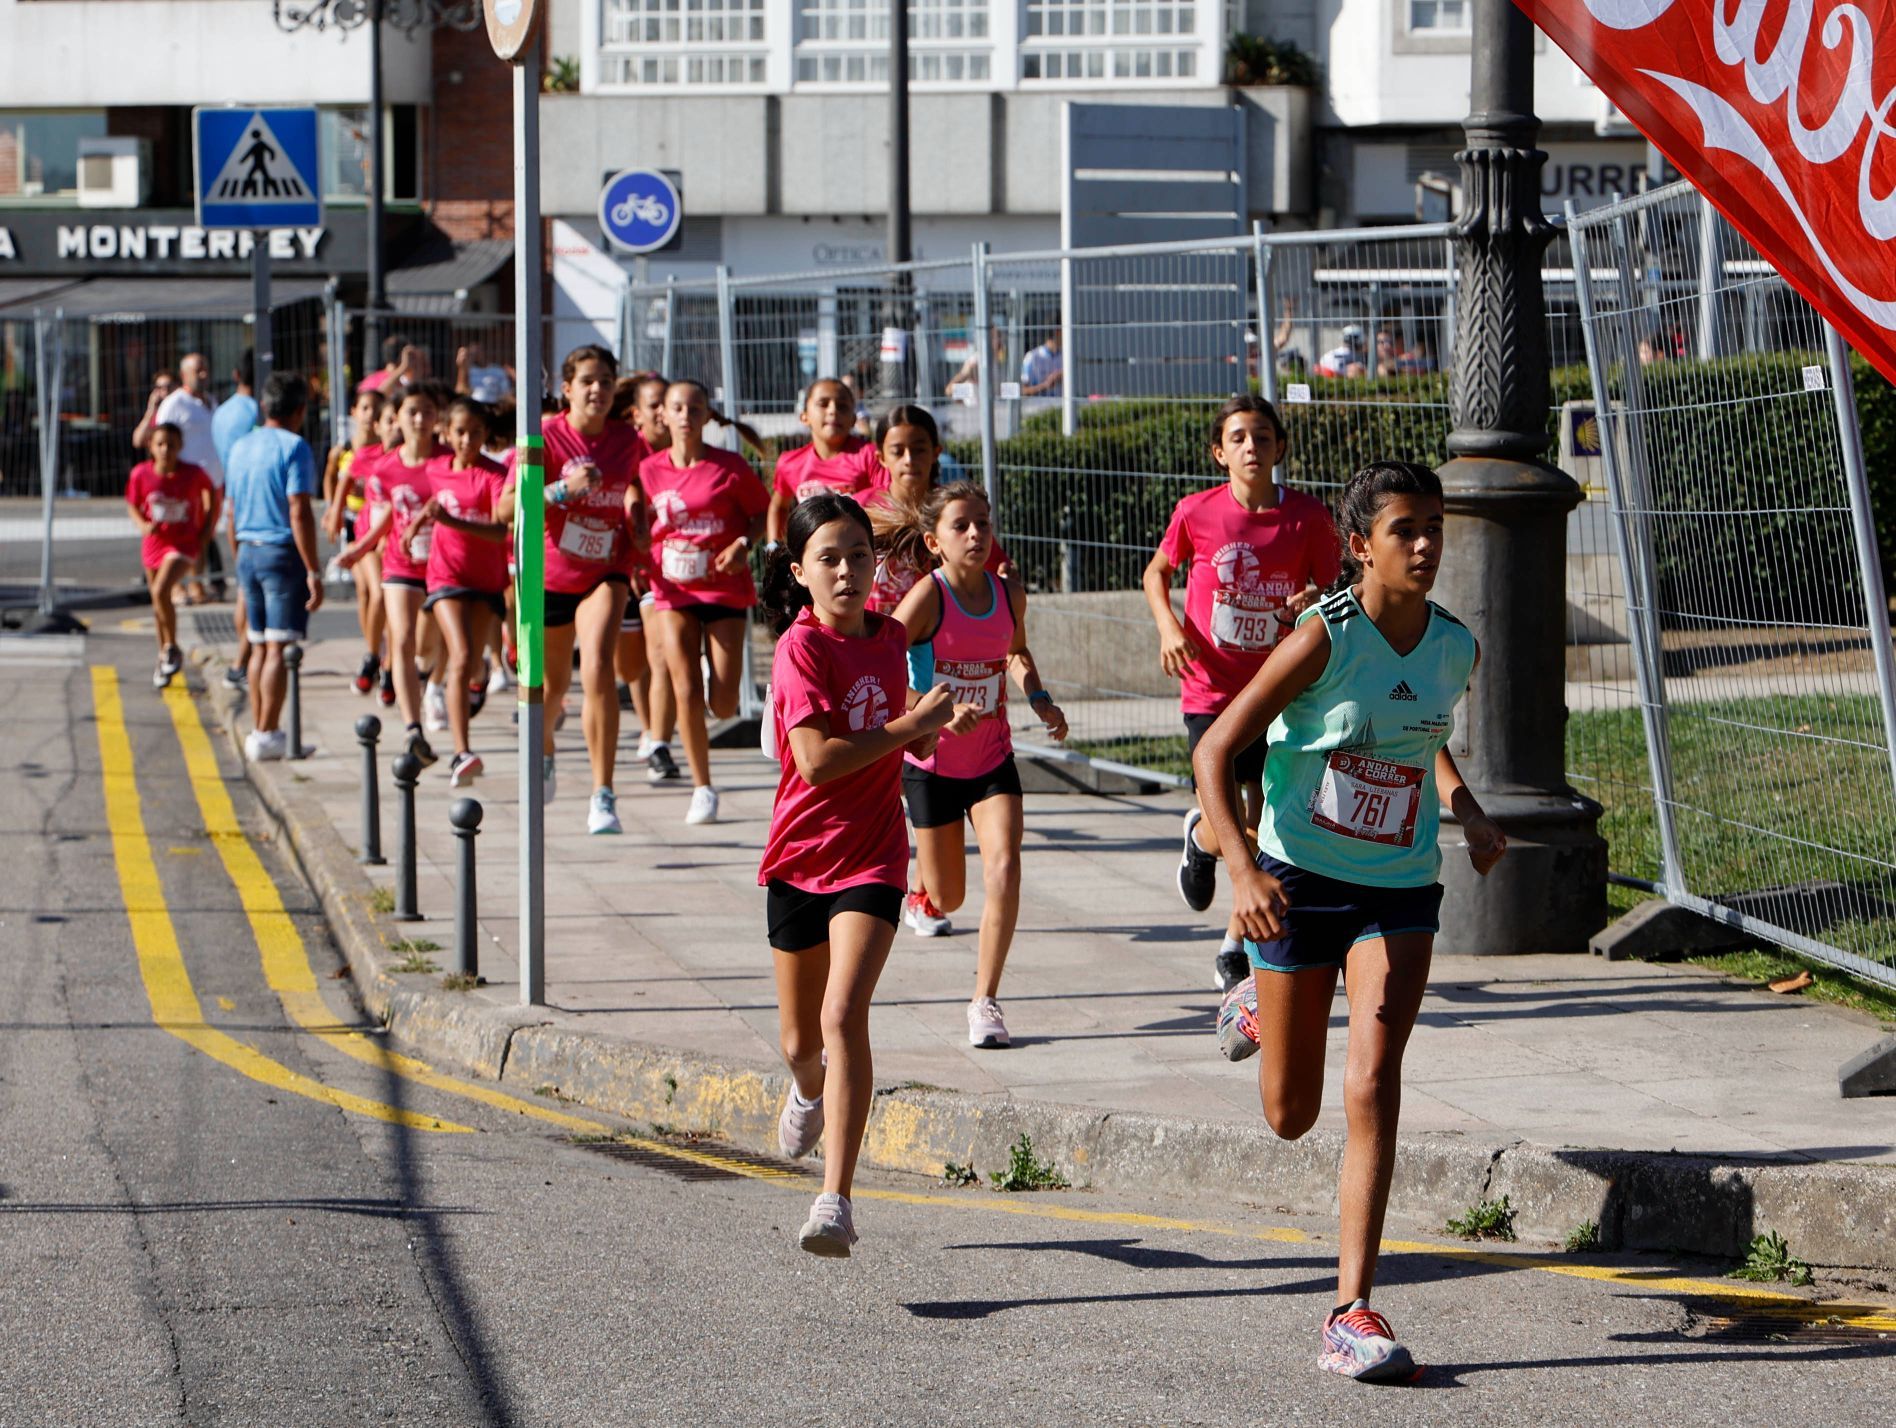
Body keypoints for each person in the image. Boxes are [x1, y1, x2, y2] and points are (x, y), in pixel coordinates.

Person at [1193, 460, 1506, 1383]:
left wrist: (1469, 808)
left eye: (1436, 527)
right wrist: (1242, 870)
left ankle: (1349, 1310)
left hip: (1399, 887)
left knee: (1374, 1079)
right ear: (1360, 546)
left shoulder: (1455, 646)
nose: (1426, 544)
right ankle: (1255, 994)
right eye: (1405, 528)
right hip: (1295, 880)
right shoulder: (1320, 641)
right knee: (1290, 1115)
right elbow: (1216, 751)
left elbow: (1423, 731)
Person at [757, 492, 976, 1256]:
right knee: (797, 1041)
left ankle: (834, 1199)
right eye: (830, 558)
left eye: (858, 555)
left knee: (842, 1014)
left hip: (874, 856)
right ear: (801, 572)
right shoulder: (800, 650)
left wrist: (935, 722)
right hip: (798, 856)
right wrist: (913, 726)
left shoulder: (888, 638)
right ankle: (806, 1090)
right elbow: (816, 762)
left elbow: (897, 725)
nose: (848, 571)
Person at [1142, 395, 1339, 992]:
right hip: (1209, 688)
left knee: (1262, 821)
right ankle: (1203, 842)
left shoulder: (1307, 518)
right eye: (1238, 437)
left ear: (1279, 448)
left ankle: (1234, 943)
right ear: (1219, 452)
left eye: (1262, 436)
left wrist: (1311, 602)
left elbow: (1331, 592)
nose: (1251, 446)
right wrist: (1170, 627)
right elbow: (1156, 572)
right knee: (1238, 825)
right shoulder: (1197, 512)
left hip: (1276, 688)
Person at [892, 482, 1068, 1047]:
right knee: (950, 897)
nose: (975, 535)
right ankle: (924, 892)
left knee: (1006, 869)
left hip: (992, 758)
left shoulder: (1007, 592)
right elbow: (882, 675)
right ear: (934, 541)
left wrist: (1038, 697)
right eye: (961, 526)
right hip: (933, 763)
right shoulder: (927, 597)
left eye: (983, 524)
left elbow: (1013, 651)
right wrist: (933, 713)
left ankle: (984, 1001)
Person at [498, 345, 649, 834]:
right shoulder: (543, 435)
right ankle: (544, 750)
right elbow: (506, 510)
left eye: (606, 380)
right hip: (549, 574)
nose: (597, 389)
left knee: (600, 665)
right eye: (587, 380)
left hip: (606, 569)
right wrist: (563, 490)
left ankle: (603, 794)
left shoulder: (629, 438)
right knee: (552, 686)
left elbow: (638, 484)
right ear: (567, 389)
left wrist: (634, 511)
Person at [640, 378, 770, 827]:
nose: (685, 415)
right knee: (686, 692)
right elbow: (635, 517)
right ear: (664, 415)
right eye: (677, 407)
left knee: (727, 702)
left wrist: (742, 544)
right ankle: (703, 787)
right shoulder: (649, 469)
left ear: (706, 416)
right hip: (672, 590)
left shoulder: (729, 467)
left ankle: (705, 674)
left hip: (723, 588)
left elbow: (759, 515)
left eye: (694, 408)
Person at [409, 397, 511, 787]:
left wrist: (451, 521)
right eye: (460, 432)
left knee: (470, 661)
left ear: (486, 435)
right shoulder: (436, 468)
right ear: (447, 434)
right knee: (460, 653)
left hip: (484, 579)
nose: (468, 440)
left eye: (476, 433)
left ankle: (480, 675)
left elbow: (500, 531)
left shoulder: (494, 475)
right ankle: (461, 752)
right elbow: (434, 502)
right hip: (445, 576)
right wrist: (415, 525)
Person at [224, 373, 324, 761]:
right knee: (278, 647)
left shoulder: (240, 446)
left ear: (264, 406)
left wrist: (238, 555)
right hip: (282, 552)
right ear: (300, 410)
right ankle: (268, 732)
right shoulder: (295, 447)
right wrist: (313, 568)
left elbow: (230, 511)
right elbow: (299, 509)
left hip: (248, 549)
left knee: (258, 643)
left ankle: (259, 729)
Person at [341, 384, 441, 767]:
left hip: (439, 566)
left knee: (427, 646)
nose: (419, 419)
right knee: (400, 639)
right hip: (400, 563)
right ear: (397, 417)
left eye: (427, 411)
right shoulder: (385, 467)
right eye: (412, 411)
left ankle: (428, 678)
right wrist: (362, 546)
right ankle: (413, 728)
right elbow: (384, 515)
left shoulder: (446, 461)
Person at [609, 372, 678, 780]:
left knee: (660, 657)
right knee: (633, 667)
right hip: (619, 566)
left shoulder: (689, 452)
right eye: (653, 404)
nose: (661, 413)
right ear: (637, 414)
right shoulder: (625, 450)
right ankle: (650, 726)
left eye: (664, 404)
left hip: (662, 570)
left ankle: (658, 741)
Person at [125, 422, 215, 689]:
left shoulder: (192, 473)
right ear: (151, 447)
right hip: (154, 543)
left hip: (184, 544)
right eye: (161, 444)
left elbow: (211, 493)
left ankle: (172, 646)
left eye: (171, 445)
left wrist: (206, 529)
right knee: (158, 604)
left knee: (161, 591)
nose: (166, 450)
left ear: (180, 447)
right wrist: (142, 524)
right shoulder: (141, 474)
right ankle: (164, 655)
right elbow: (132, 503)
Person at [323, 387, 390, 697]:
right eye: (367, 409)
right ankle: (373, 652)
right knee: (369, 592)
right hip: (361, 529)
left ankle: (382, 658)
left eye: (380, 412)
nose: (372, 417)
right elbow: (338, 480)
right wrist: (334, 512)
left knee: (381, 595)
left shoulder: (396, 452)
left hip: (388, 533)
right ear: (355, 412)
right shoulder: (349, 450)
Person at [766, 378, 881, 545]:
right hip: (813, 562)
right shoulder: (789, 462)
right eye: (823, 403)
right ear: (804, 416)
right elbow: (778, 507)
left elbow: (888, 503)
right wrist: (773, 546)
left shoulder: (870, 455)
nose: (833, 410)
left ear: (853, 419)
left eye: (842, 406)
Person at [154, 353, 225, 604]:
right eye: (198, 370)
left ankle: (197, 584)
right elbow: (161, 438)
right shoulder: (175, 404)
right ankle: (176, 587)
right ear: (185, 375)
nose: (204, 374)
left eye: (206, 369)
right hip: (186, 483)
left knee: (204, 535)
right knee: (181, 536)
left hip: (212, 483)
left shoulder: (211, 402)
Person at [129, 370, 178, 452]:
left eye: (169, 386)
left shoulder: (184, 410)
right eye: (160, 388)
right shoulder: (155, 413)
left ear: (177, 387)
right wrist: (150, 409)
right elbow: (137, 441)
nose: (165, 391)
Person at [455, 340, 515, 406]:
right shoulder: (467, 371)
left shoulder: (498, 371)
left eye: (479, 351)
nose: (476, 355)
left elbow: (506, 393)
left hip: (493, 407)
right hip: (473, 407)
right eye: (473, 353)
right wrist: (462, 368)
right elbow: (460, 392)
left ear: (485, 351)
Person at [1021, 330, 1063, 396]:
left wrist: (1061, 375)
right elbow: (1024, 391)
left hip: (1060, 404)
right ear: (1058, 332)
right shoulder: (1031, 356)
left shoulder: (1065, 357)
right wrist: (1045, 385)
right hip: (1039, 404)